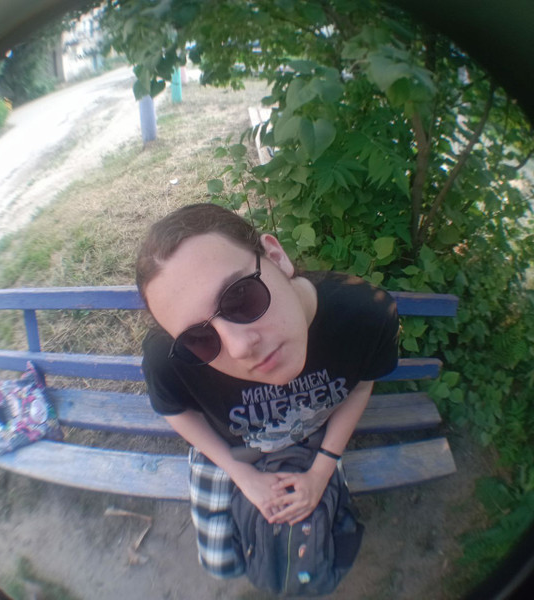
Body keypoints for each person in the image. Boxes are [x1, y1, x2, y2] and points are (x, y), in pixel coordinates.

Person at [136, 203, 399, 579]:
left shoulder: (364, 315)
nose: (240, 348)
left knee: (312, 556)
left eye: (241, 297)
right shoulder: (170, 357)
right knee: (222, 566)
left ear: (276, 256)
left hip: (316, 437)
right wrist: (240, 474)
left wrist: (322, 470)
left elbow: (360, 385)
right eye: (198, 338)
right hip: (229, 450)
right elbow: (176, 410)